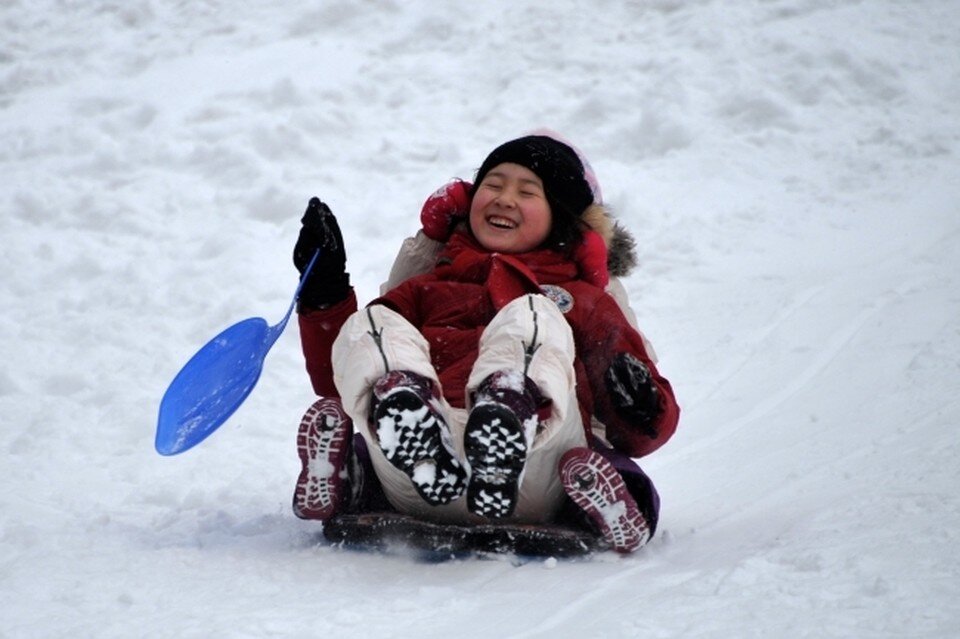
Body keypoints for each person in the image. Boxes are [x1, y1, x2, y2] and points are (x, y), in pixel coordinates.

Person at [290, 134, 680, 552]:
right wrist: (324, 290)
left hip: (533, 468)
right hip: (417, 476)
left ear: (560, 219)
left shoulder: (581, 301)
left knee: (533, 313)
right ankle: (406, 414)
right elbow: (343, 375)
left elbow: (641, 437)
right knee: (375, 321)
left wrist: (639, 404)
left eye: (527, 192)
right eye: (493, 185)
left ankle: (507, 414)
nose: (504, 199)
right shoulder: (427, 288)